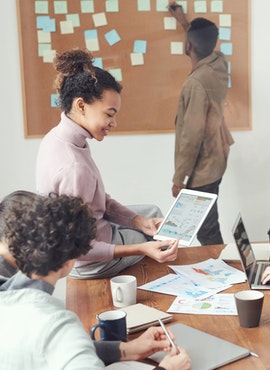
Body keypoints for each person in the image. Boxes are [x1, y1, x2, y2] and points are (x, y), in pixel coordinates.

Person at [0, 192, 191, 370]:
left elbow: (64, 348)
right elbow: (62, 341)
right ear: (70, 261)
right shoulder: (58, 325)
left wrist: (128, 349)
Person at [36, 48, 178, 279]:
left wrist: (137, 221)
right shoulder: (75, 168)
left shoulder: (58, 138)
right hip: (90, 261)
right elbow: (78, 250)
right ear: (81, 105)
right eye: (109, 114)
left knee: (150, 215)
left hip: (96, 231)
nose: (113, 122)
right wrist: (143, 248)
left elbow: (98, 200)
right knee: (163, 240)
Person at [168, 3, 234, 246]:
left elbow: (191, 136)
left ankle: (227, 275)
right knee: (208, 223)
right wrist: (184, 23)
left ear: (188, 46)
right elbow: (203, 45)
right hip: (217, 156)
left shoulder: (195, 84)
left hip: (202, 164)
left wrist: (179, 179)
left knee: (206, 230)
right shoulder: (219, 64)